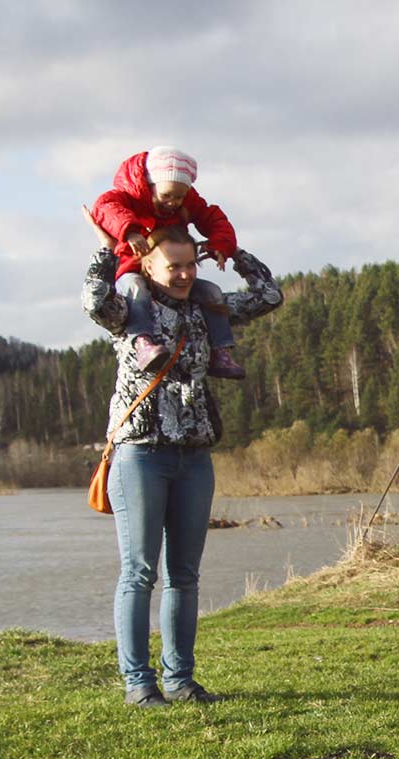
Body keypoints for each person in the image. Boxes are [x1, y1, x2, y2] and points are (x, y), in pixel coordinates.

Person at [81, 217, 283, 707]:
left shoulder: (206, 307)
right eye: (173, 266)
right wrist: (109, 252)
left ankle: (180, 679)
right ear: (148, 265)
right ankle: (138, 683)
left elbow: (269, 295)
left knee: (185, 574)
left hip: (194, 454)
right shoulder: (129, 309)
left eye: (190, 264)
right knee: (139, 572)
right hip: (140, 452)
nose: (185, 274)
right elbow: (92, 301)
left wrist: (231, 252)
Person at [90, 145, 247, 379]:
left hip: (170, 278)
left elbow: (213, 218)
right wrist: (130, 231)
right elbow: (105, 208)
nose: (173, 202)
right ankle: (142, 342)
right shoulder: (129, 196)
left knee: (211, 292)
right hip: (132, 268)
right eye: (167, 195)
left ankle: (220, 352)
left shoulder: (186, 202)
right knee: (136, 291)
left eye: (179, 196)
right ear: (150, 185)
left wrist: (220, 245)